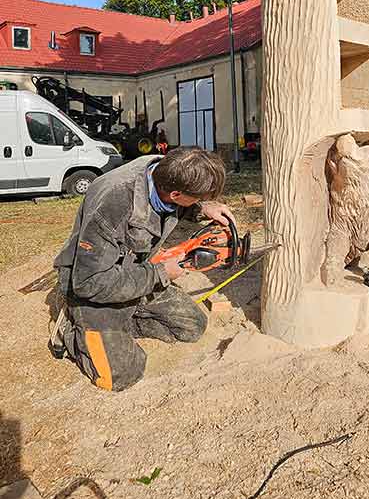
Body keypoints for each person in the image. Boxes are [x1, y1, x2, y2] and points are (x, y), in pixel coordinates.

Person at [53, 147, 234, 392]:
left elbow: (176, 203)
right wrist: (160, 274)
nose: (200, 202)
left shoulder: (162, 170)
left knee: (192, 326)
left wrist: (203, 209)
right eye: (197, 199)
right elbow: (89, 281)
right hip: (93, 282)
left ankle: (120, 323)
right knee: (120, 375)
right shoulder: (114, 202)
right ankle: (74, 329)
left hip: (136, 271)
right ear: (176, 193)